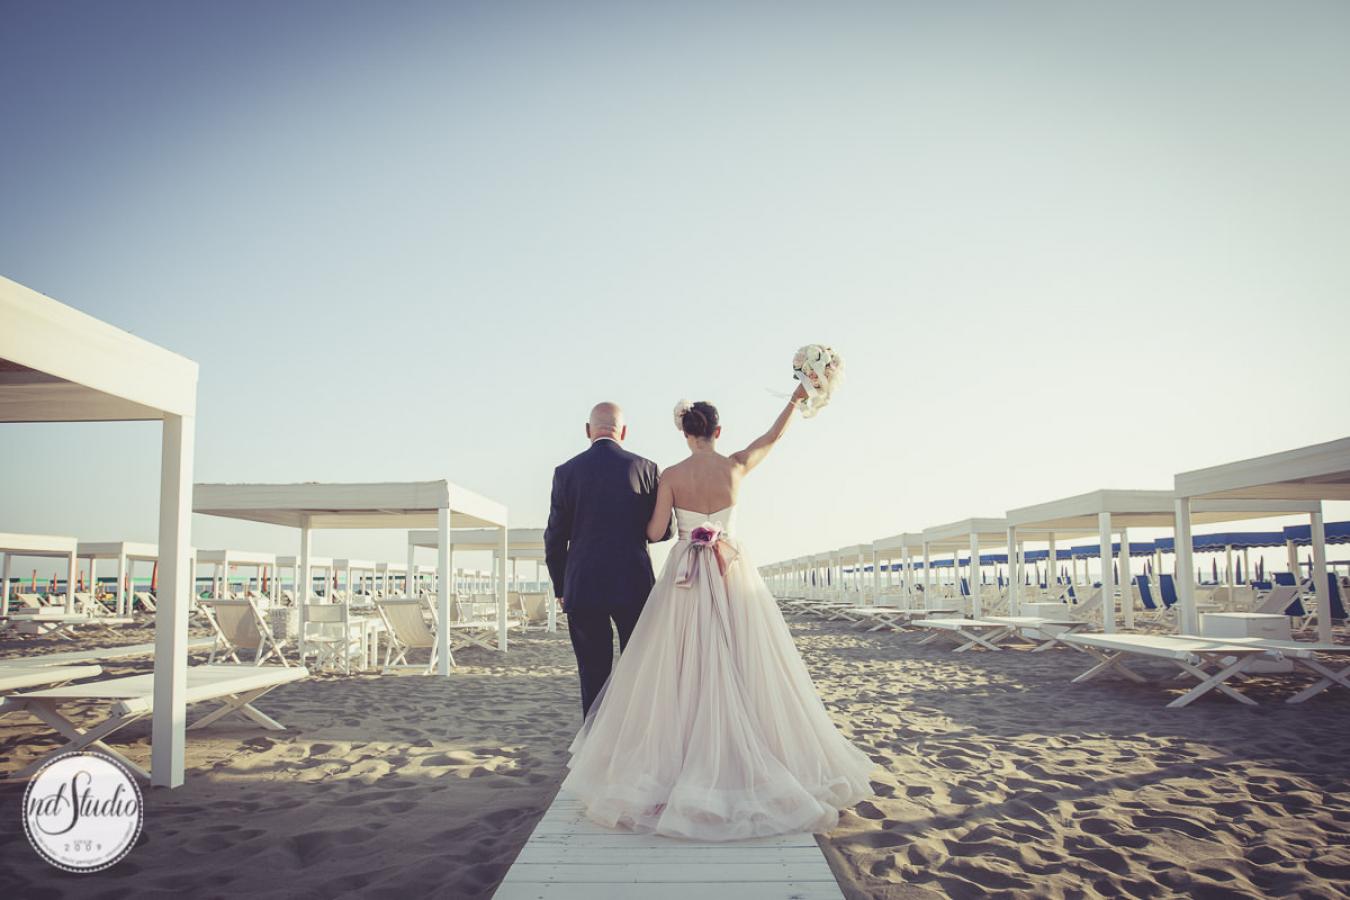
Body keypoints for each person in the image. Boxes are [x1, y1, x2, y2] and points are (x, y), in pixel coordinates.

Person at [561, 387, 875, 840]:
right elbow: (774, 436)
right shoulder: (736, 465)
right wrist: (795, 398)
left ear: (685, 434)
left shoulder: (669, 474)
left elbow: (655, 532)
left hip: (686, 574)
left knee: (682, 667)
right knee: (742, 660)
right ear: (718, 431)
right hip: (732, 572)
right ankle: (743, 753)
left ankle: (683, 757)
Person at [545, 402, 674, 717]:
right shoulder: (646, 468)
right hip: (634, 585)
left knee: (593, 674)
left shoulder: (565, 472)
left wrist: (561, 586)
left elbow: (554, 537)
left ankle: (594, 745)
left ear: (588, 431)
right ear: (624, 432)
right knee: (639, 671)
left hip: (583, 586)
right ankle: (635, 742)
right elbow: (664, 531)